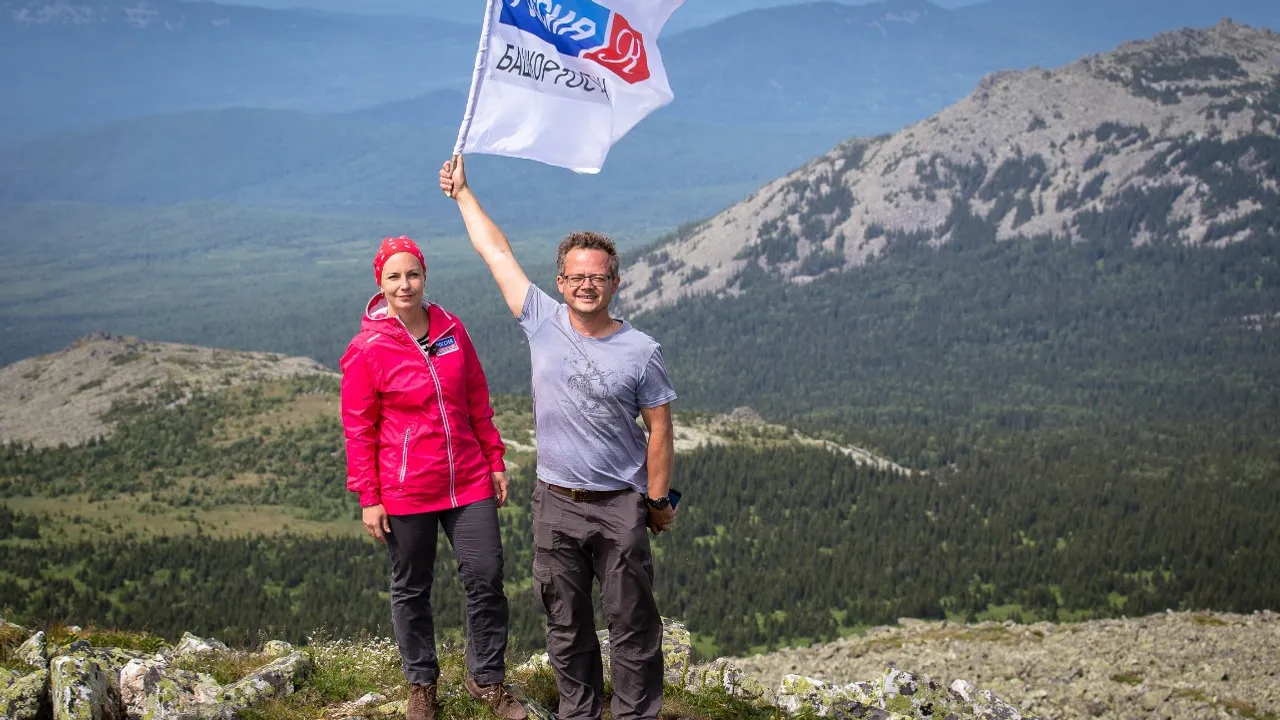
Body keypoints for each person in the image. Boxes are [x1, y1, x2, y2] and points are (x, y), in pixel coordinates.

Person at [439, 157, 678, 720]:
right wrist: (463, 194)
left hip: (619, 503)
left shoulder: (642, 351)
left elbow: (661, 428)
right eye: (577, 277)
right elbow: (497, 253)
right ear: (561, 282)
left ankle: (634, 714)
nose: (587, 285)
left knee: (632, 621)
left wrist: (657, 499)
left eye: (598, 277)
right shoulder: (540, 320)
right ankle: (578, 712)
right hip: (555, 502)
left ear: (615, 283)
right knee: (565, 622)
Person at [340, 235, 528, 720]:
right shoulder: (366, 348)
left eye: (413, 274)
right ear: (379, 283)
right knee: (411, 587)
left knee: (486, 576)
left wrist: (495, 458)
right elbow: (358, 429)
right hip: (406, 489)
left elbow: (476, 396)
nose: (405, 284)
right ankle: (421, 683)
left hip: (468, 478)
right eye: (394, 276)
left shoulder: (451, 328)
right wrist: (369, 496)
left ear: (425, 276)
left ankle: (486, 678)